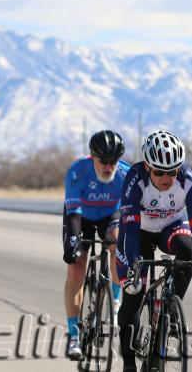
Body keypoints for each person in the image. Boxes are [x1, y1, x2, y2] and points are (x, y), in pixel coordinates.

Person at [116, 129, 192, 372]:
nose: (166, 178)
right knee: (134, 293)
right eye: (160, 172)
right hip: (137, 232)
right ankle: (129, 363)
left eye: (172, 171)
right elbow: (129, 230)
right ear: (148, 167)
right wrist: (133, 267)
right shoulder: (134, 179)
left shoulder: (189, 181)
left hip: (169, 228)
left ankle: (170, 309)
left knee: (187, 248)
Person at [63, 130, 130, 360]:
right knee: (76, 265)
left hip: (110, 215)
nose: (108, 167)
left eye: (113, 162)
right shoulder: (77, 171)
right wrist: (73, 243)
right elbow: (72, 215)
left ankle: (115, 301)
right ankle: (74, 335)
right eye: (104, 161)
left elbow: (132, 214)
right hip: (80, 216)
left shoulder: (126, 174)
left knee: (118, 244)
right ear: (93, 157)